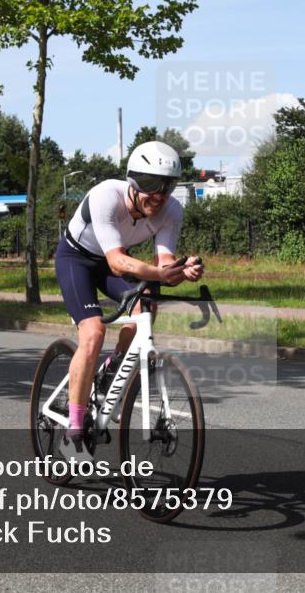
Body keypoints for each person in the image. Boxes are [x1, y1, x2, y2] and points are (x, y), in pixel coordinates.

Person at [55, 141, 204, 463]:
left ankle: (114, 365)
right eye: (151, 184)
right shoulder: (106, 195)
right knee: (93, 333)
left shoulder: (171, 211)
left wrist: (181, 269)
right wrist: (159, 274)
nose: (159, 194)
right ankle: (74, 431)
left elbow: (163, 262)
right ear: (133, 181)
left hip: (117, 261)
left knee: (147, 305)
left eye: (167, 185)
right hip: (77, 260)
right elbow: (117, 262)